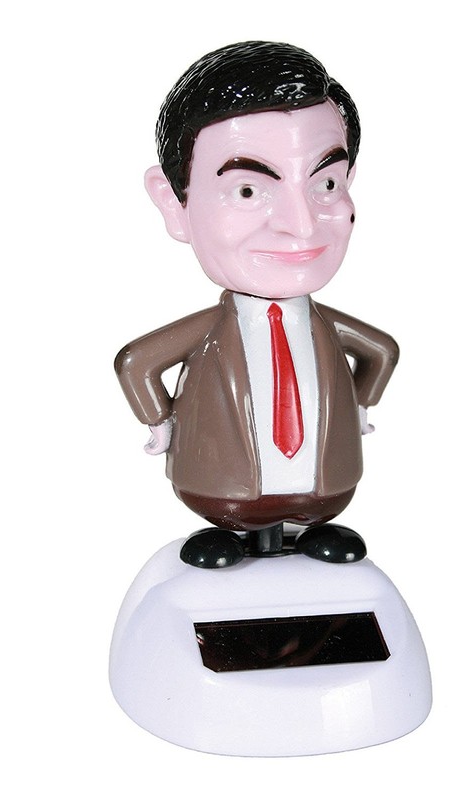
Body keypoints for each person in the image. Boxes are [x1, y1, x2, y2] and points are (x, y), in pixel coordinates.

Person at [115, 41, 399, 568]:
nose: (301, 224)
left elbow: (382, 351)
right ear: (174, 203)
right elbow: (136, 362)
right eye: (248, 191)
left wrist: (361, 405)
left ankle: (310, 529)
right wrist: (161, 422)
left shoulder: (327, 326)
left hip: (326, 484)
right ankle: (231, 533)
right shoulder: (208, 331)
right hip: (221, 486)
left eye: (326, 183)